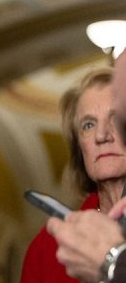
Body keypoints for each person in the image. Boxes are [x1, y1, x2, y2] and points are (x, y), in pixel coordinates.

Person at [20, 68, 126, 282]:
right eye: (88, 125)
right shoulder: (48, 245)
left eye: (116, 119)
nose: (101, 135)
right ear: (79, 147)